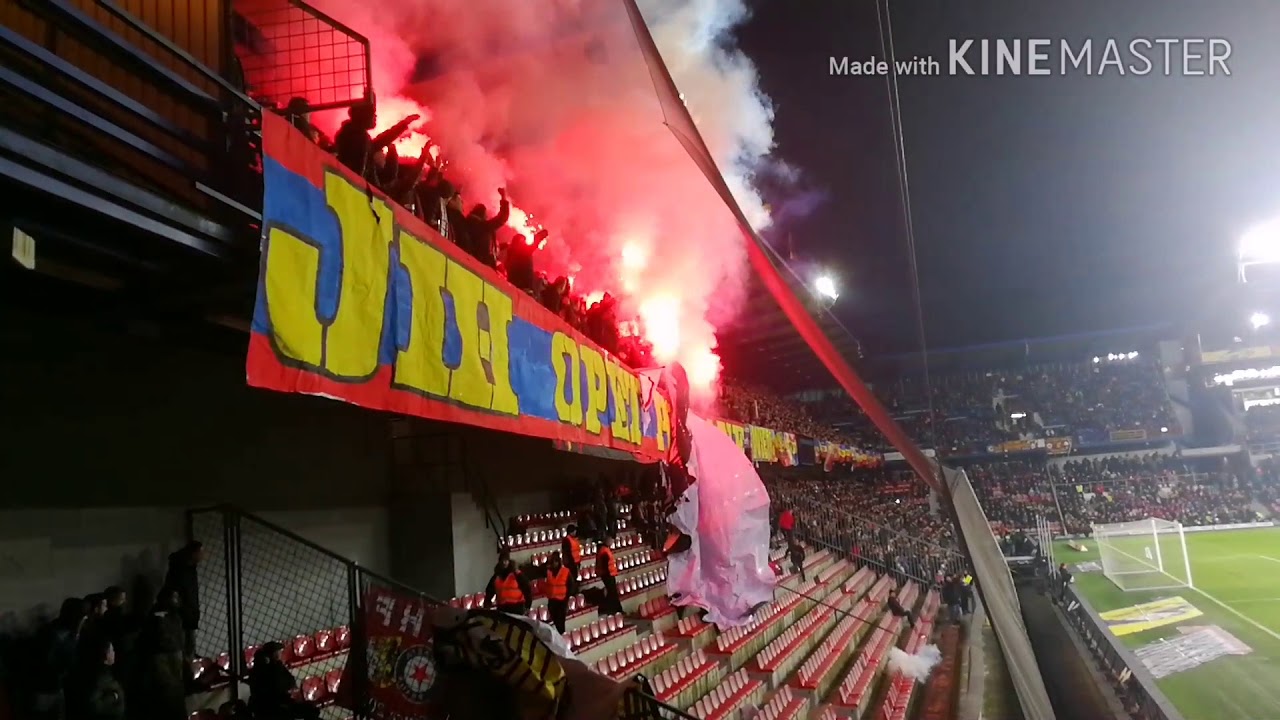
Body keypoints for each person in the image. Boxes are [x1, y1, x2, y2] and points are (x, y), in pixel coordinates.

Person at [136, 588, 186, 720]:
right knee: (168, 691)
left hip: (172, 655)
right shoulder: (157, 616)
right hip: (164, 656)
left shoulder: (173, 615)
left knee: (174, 690)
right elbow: (160, 638)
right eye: (174, 597)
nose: (177, 600)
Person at [33, 597, 87, 719]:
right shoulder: (58, 635)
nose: (86, 618)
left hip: (53, 686)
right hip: (48, 687)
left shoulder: (58, 630)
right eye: (83, 615)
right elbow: (50, 662)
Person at [248, 642, 320, 720]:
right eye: (279, 652)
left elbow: (290, 681)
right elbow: (277, 687)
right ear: (273, 654)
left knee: (312, 709)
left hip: (282, 703)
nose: (281, 654)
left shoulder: (276, 666)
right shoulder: (267, 669)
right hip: (273, 707)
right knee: (308, 710)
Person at [66, 637, 125, 720]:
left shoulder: (112, 673)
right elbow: (95, 706)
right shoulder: (98, 678)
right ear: (104, 655)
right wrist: (114, 696)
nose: (114, 653)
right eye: (111, 650)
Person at [164, 541, 202, 661]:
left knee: (187, 646)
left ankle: (187, 667)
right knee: (184, 646)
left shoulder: (188, 569)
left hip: (187, 613)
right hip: (183, 614)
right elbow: (175, 593)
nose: (203, 555)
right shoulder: (182, 570)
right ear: (193, 553)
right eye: (200, 552)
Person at [485, 550, 532, 616]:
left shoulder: (517, 574)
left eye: (506, 560)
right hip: (502, 608)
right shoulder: (497, 575)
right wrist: (487, 604)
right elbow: (489, 590)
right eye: (502, 561)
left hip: (517, 607)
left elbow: (527, 588)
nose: (504, 563)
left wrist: (528, 606)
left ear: (509, 561)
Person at [544, 552, 572, 634]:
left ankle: (561, 637)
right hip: (552, 601)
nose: (554, 564)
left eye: (555, 561)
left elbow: (571, 586)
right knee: (554, 621)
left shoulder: (565, 571)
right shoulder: (548, 572)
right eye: (552, 562)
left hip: (562, 601)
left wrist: (567, 599)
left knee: (560, 623)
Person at [596, 536, 623, 615]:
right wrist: (608, 574)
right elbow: (605, 565)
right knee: (612, 592)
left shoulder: (604, 549)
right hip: (608, 575)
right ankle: (615, 609)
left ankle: (614, 609)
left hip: (608, 574)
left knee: (612, 592)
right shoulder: (604, 551)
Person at [561, 524, 583, 593]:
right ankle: (572, 593)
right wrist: (572, 564)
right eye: (574, 531)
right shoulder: (567, 540)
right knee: (572, 580)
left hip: (575, 563)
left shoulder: (573, 540)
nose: (576, 532)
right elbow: (568, 553)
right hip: (571, 564)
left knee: (575, 579)